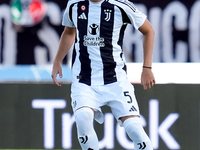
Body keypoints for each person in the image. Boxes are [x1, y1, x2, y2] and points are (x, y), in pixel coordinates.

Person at [51, 0, 155, 149]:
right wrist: (57, 61)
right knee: (83, 117)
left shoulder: (121, 5)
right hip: (84, 80)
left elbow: (148, 30)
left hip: (116, 81)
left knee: (135, 129)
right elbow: (69, 32)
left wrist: (147, 67)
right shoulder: (75, 4)